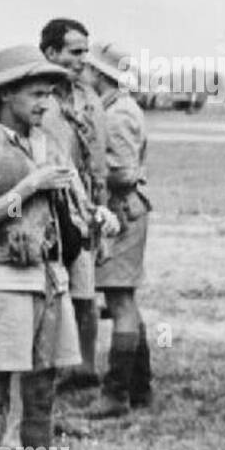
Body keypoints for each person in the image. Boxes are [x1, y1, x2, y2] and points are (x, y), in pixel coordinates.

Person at [0, 46, 105, 450]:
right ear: (5, 95)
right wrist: (28, 187)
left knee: (44, 395)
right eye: (36, 92)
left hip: (50, 279)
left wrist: (94, 216)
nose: (47, 101)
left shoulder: (46, 140)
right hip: (1, 280)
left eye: (50, 92)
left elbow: (72, 200)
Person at [79, 42, 154, 418]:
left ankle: (117, 394)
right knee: (123, 297)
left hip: (121, 211)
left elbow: (123, 171)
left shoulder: (116, 114)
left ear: (99, 74)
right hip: (124, 210)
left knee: (120, 300)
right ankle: (139, 385)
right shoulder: (116, 108)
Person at [39, 18, 109, 392]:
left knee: (85, 292)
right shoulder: (38, 100)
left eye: (85, 51)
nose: (82, 60)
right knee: (52, 291)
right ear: (51, 53)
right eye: (74, 51)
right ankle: (53, 369)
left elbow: (99, 163)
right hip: (47, 208)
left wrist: (99, 211)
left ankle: (84, 369)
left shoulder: (90, 100)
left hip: (84, 209)